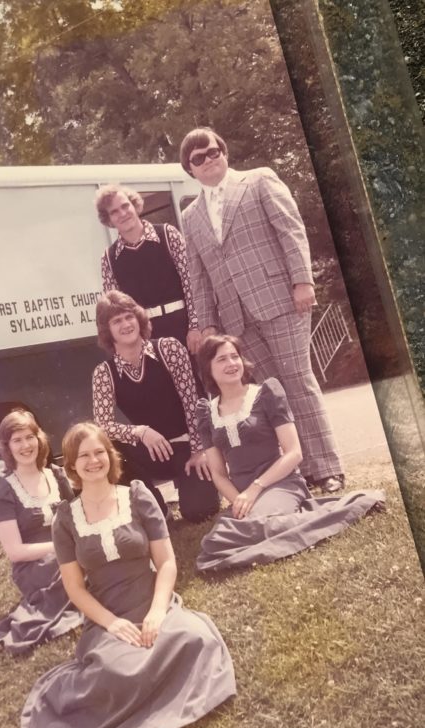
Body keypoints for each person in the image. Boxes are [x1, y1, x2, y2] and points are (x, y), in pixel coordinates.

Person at [20, 423, 235, 728]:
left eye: (99, 452)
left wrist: (157, 612)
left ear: (110, 455)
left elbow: (166, 563)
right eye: (84, 456)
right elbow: (75, 588)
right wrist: (111, 623)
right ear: (72, 466)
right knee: (116, 671)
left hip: (150, 600)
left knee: (194, 639)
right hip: (107, 614)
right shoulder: (65, 518)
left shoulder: (136, 496)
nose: (93, 461)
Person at [179, 126, 344, 492]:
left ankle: (327, 468)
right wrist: (206, 324)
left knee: (298, 382)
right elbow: (198, 274)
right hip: (235, 321)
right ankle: (294, 472)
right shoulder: (190, 216)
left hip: (281, 300)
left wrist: (303, 281)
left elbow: (292, 231)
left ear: (224, 152)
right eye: (198, 158)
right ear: (189, 169)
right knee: (269, 395)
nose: (208, 160)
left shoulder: (259, 181)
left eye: (212, 151)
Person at [194, 335, 385, 572]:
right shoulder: (206, 412)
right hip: (242, 494)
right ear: (208, 369)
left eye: (235, 356)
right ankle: (291, 519)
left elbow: (294, 453)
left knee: (237, 531)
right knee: (217, 539)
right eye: (222, 359)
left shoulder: (265, 394)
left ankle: (346, 510)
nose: (232, 363)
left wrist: (255, 489)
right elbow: (218, 473)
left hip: (280, 482)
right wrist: (238, 499)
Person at [92, 290, 219, 522]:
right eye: (116, 321)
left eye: (129, 317)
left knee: (200, 512)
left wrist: (200, 449)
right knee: (107, 449)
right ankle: (157, 508)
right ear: (107, 331)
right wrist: (140, 431)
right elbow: (102, 426)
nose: (126, 324)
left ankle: (195, 487)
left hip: (186, 447)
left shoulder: (169, 349)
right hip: (148, 451)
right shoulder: (103, 373)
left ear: (139, 318)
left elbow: (193, 402)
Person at [0, 410, 82, 653]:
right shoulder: (3, 488)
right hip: (35, 565)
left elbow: (77, 520)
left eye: (29, 437)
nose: (25, 445)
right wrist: (62, 546)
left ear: (39, 439)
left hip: (68, 552)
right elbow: (15, 552)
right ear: (7, 447)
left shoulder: (56, 475)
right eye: (17, 440)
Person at [95, 183, 201, 350]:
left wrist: (195, 327)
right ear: (108, 219)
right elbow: (114, 310)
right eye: (114, 212)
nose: (122, 214)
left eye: (125, 206)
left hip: (184, 328)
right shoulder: (109, 259)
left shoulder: (168, 235)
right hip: (144, 339)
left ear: (135, 206)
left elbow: (192, 282)